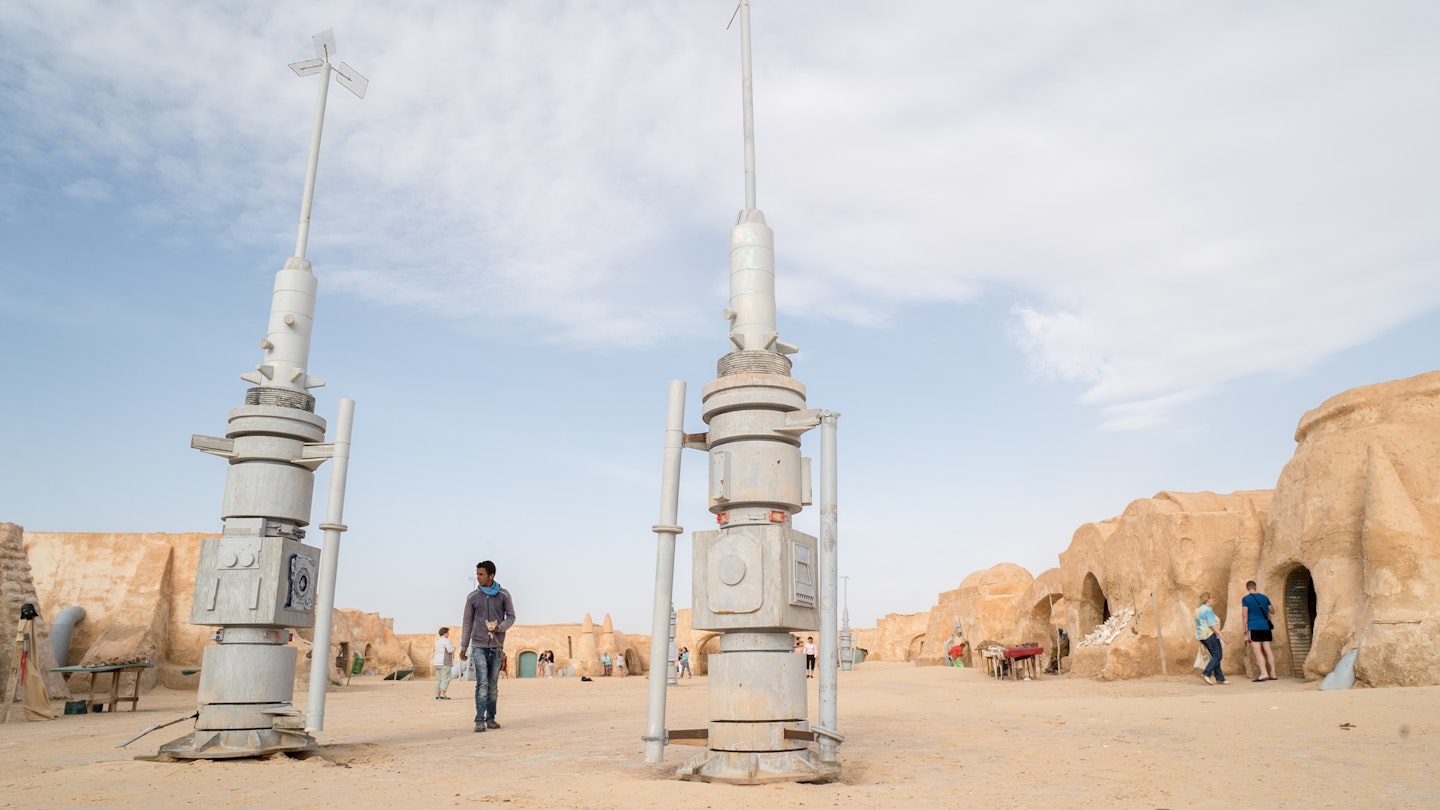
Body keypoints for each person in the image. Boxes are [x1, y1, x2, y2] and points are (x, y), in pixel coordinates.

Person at [460, 560, 516, 732]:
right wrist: (464, 646)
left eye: (481, 574)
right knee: (482, 682)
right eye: (477, 574)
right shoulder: (472, 597)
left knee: (492, 685)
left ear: (491, 575)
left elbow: (511, 617)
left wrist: (500, 627)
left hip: (497, 647)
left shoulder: (504, 595)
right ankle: (479, 720)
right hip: (478, 646)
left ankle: (491, 718)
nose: (478, 577)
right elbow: (467, 622)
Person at [1241, 580, 1278, 681]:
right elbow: (1272, 611)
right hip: (1265, 626)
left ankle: (1264, 673)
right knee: (1268, 649)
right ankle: (1273, 673)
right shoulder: (1264, 597)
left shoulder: (1246, 599)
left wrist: (1244, 628)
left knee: (1257, 650)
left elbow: (1245, 615)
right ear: (1255, 587)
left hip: (1254, 627)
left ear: (1247, 588)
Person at [1195, 592, 1227, 685]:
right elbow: (1212, 625)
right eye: (1212, 599)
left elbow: (1197, 624)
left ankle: (1220, 678)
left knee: (1215, 656)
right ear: (1208, 600)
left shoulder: (1198, 610)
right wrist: (1222, 636)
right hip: (1210, 635)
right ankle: (1206, 673)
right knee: (1218, 655)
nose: (1214, 601)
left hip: (1202, 636)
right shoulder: (1208, 611)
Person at [433, 627, 456, 700]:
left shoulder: (437, 641)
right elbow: (450, 650)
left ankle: (437, 695)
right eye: (448, 633)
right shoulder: (446, 641)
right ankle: (443, 695)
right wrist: (454, 648)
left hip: (436, 663)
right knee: (446, 678)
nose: (448, 634)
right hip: (444, 663)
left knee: (438, 680)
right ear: (445, 633)